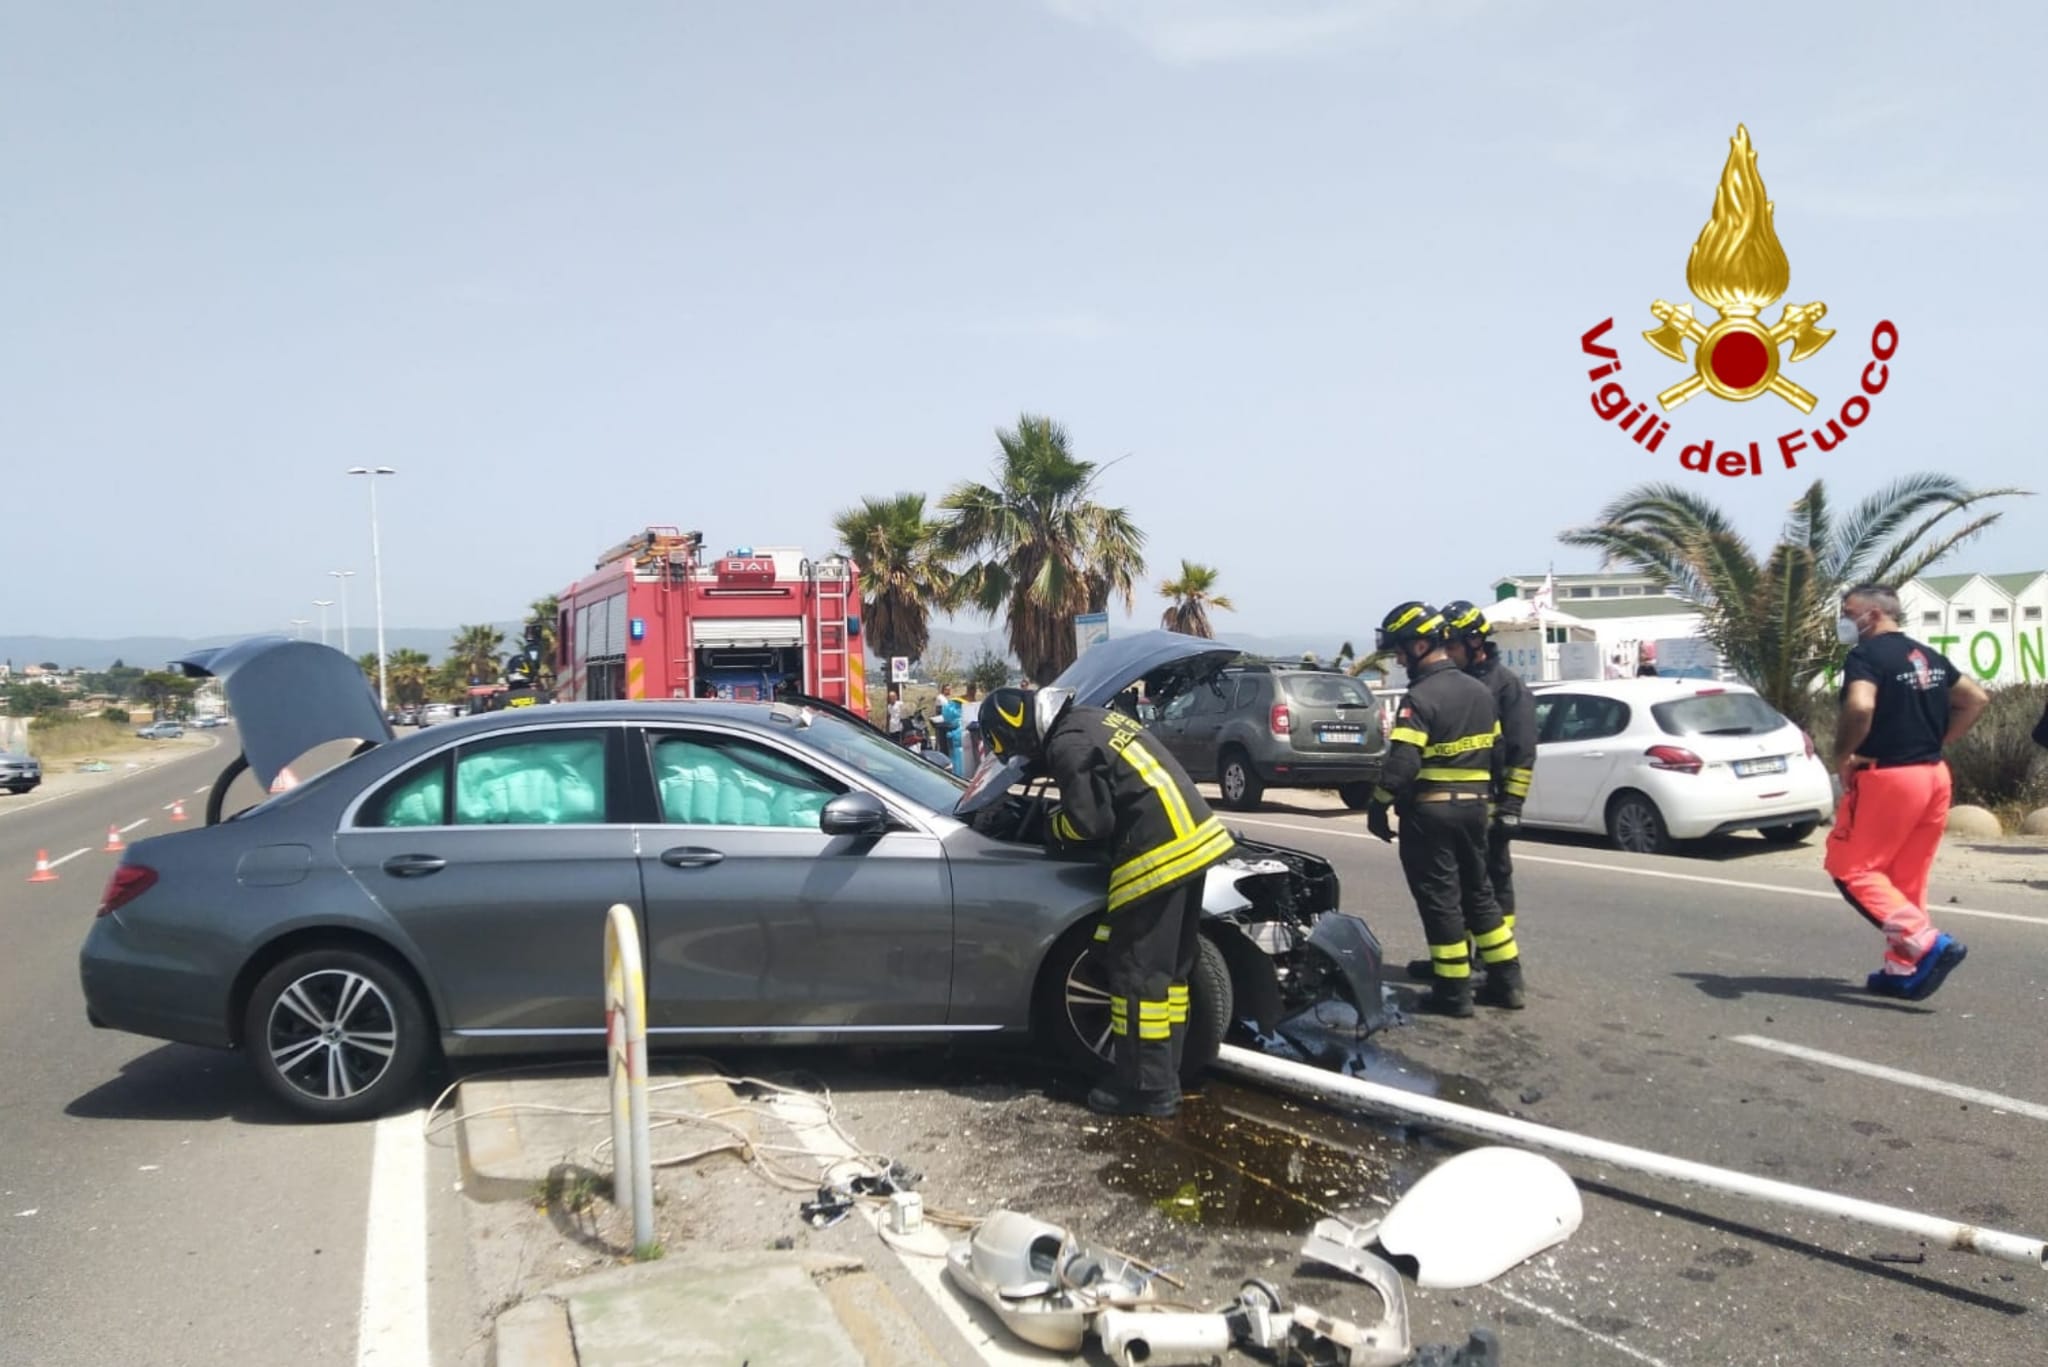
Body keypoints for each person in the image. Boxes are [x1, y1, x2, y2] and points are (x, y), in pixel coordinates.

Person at [979, 684, 1235, 1117]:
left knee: (1137, 976)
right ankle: (1166, 1075)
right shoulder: (1090, 719)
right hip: (1194, 843)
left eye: (1015, 750)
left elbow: (1090, 823)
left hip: (1158, 853)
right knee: (1168, 975)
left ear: (1020, 732)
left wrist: (1050, 829)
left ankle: (1144, 1089)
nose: (1021, 760)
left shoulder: (1066, 744)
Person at [1827, 583, 1987, 1000]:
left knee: (1852, 869)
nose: (1844, 620)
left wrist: (1843, 755)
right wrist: (1939, 739)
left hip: (1889, 776)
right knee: (1904, 878)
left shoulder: (1865, 656)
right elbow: (1975, 699)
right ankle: (1902, 966)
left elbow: (1860, 706)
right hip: (1933, 774)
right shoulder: (1927, 654)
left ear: (1874, 614)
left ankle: (1925, 941)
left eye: (1848, 612)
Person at [1364, 601, 1524, 1016]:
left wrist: (1379, 805)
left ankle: (1453, 993)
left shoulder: (1419, 698)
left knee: (1441, 901)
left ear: (1420, 645)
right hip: (1476, 811)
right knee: (1480, 895)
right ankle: (1507, 983)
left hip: (1431, 816)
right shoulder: (1480, 692)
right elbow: (1499, 753)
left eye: (1400, 650)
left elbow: (1403, 764)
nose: (1398, 659)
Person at [1404, 601, 1536, 985]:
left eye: (1454, 643)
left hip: (1490, 804)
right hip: (1469, 804)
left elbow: (1520, 751)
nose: (1447, 649)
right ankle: (1458, 961)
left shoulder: (1506, 686)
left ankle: (1491, 962)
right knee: (1456, 887)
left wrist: (1510, 806)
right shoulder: (1462, 683)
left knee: (1491, 884)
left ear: (1475, 641)